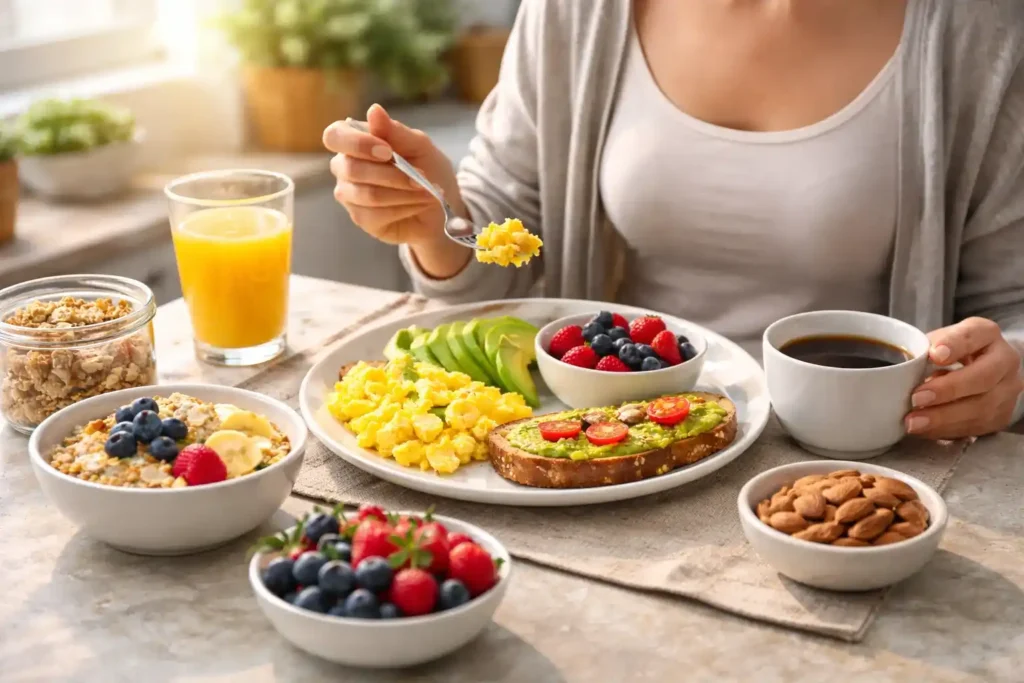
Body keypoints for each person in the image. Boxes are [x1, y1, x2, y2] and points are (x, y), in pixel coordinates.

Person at [323, 0, 1024, 441]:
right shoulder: (576, 13)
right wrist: (433, 224)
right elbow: (505, 249)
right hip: (616, 443)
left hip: (846, 465)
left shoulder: (980, 31)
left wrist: (1008, 373)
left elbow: (1011, 311)